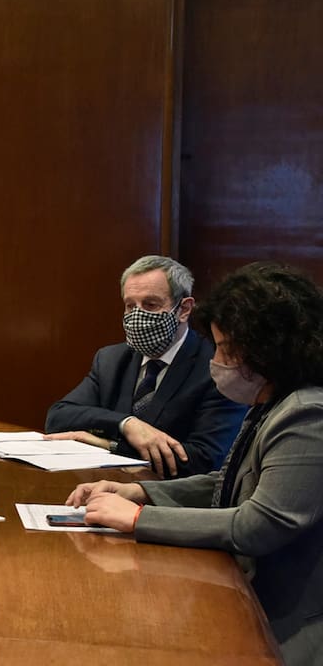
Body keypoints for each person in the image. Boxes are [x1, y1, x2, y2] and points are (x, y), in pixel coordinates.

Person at [66, 262, 323, 665]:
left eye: (224, 348)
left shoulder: (307, 415)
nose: (215, 360)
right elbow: (228, 481)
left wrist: (138, 519)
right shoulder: (272, 403)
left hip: (288, 626)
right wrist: (140, 490)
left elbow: (259, 525)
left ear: (263, 350)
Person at [45, 255, 245, 477]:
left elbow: (205, 459)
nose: (137, 316)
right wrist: (126, 424)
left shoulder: (215, 366)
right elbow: (59, 418)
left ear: (184, 309)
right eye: (130, 306)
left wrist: (108, 445)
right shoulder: (111, 359)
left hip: (171, 501)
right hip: (105, 488)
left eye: (150, 305)